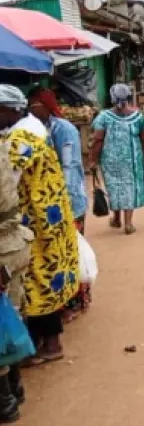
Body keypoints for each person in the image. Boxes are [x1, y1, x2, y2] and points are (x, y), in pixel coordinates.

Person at [0, 85, 79, 368]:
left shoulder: (19, 138)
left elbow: (7, 180)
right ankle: (43, 342)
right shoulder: (31, 129)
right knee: (43, 277)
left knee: (37, 281)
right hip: (49, 215)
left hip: (37, 221)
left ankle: (50, 344)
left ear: (9, 110)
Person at [27, 87, 91, 322]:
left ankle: (76, 301)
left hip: (68, 200)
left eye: (35, 106)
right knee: (58, 253)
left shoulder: (63, 129)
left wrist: (62, 200)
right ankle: (63, 301)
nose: (32, 111)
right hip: (52, 201)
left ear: (45, 105)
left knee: (72, 251)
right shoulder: (41, 129)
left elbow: (69, 166)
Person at [89, 84, 144, 235]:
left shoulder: (104, 117)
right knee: (129, 187)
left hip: (110, 161)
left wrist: (93, 159)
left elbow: (97, 139)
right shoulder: (137, 117)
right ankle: (128, 224)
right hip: (133, 159)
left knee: (115, 187)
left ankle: (117, 218)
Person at [0, 142, 33, 421]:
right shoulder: (3, 146)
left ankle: (6, 402)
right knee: (11, 317)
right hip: (13, 245)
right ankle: (15, 389)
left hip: (3, 250)